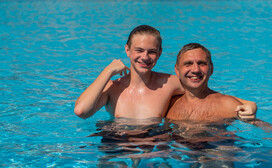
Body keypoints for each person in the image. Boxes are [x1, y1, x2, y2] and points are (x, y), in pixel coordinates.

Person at [74, 25, 257, 120]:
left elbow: (203, 92)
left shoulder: (169, 83)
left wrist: (250, 104)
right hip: (116, 143)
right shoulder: (113, 88)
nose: (145, 57)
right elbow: (81, 111)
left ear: (159, 53)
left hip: (154, 147)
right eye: (139, 50)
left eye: (151, 52)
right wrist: (108, 71)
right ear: (127, 50)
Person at [166, 43, 272, 148]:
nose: (195, 69)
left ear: (211, 69)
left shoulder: (226, 104)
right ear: (177, 70)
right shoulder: (169, 102)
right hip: (179, 152)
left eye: (202, 63)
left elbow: (257, 123)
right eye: (188, 64)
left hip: (217, 153)